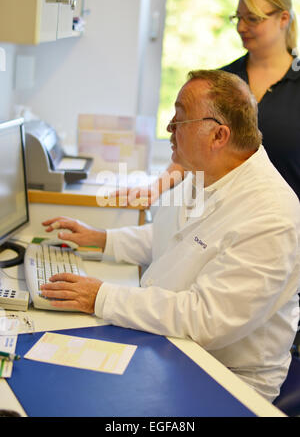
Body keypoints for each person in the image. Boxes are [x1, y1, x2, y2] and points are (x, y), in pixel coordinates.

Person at [40, 69, 300, 403]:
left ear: (218, 136)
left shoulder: (271, 216)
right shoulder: (205, 172)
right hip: (173, 343)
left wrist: (101, 296)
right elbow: (170, 238)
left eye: (179, 120)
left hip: (226, 377)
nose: (169, 130)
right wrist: (101, 238)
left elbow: (206, 319)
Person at [124, 0, 300, 205]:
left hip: (289, 221)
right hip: (225, 215)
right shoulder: (224, 83)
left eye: (252, 19)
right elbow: (192, 142)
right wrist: (155, 189)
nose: (241, 27)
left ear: (283, 19)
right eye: (238, 17)